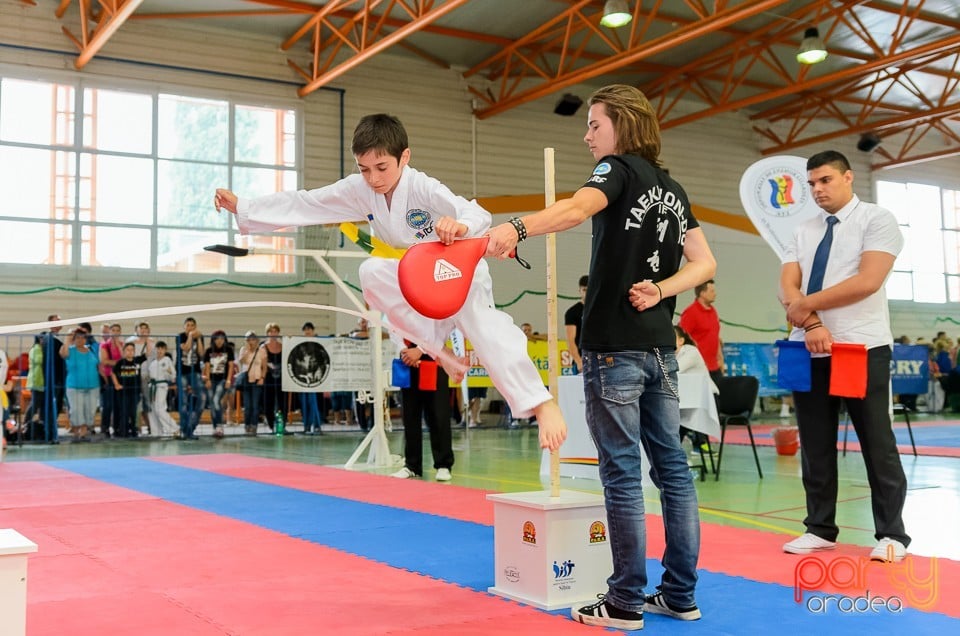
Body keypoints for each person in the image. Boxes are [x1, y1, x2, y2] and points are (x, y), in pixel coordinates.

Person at [486, 84, 714, 630]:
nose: (587, 136)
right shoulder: (673, 189)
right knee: (674, 473)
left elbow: (575, 208)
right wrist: (662, 292)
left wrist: (515, 227)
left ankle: (625, 602)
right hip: (661, 349)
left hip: (614, 348)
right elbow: (704, 264)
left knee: (622, 474)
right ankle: (679, 594)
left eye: (595, 124)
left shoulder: (617, 171)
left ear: (623, 126)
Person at [214, 113, 565, 452]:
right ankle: (438, 351)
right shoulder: (359, 190)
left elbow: (475, 213)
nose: (373, 178)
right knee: (370, 272)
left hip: (457, 271)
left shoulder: (423, 187)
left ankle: (539, 402)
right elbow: (307, 203)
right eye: (364, 169)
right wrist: (245, 207)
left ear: (404, 157)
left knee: (487, 329)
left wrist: (460, 226)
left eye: (382, 167)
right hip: (416, 277)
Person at [779, 149, 910, 563]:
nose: (817, 189)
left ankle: (891, 534)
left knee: (876, 439)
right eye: (812, 183)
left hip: (859, 345)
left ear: (848, 178)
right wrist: (811, 322)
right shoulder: (802, 229)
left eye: (825, 181)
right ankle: (819, 527)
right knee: (815, 441)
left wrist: (804, 306)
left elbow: (868, 280)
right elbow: (787, 283)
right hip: (806, 345)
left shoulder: (876, 219)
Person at [391, 341, 454, 481]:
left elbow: (438, 332)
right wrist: (405, 351)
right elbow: (393, 327)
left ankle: (443, 464)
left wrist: (419, 350)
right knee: (410, 414)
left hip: (433, 359)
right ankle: (412, 465)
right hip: (408, 360)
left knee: (438, 414)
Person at [679, 280, 723, 385]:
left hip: (714, 367)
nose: (715, 293)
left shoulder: (713, 311)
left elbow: (715, 337)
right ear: (702, 293)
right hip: (698, 368)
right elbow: (681, 338)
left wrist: (721, 359)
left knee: (719, 398)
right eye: (712, 291)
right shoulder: (691, 312)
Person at [59, 326, 100, 441]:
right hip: (74, 386)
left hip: (93, 385)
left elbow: (98, 364)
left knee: (90, 409)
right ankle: (78, 431)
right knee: (76, 409)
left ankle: (85, 430)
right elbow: (63, 354)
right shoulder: (70, 350)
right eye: (77, 337)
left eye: (83, 337)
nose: (80, 340)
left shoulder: (92, 350)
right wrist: (68, 338)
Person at [177, 317, 205, 440]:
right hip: (182, 372)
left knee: (202, 399)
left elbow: (201, 354)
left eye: (192, 325)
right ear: (184, 327)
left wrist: (198, 338)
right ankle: (183, 430)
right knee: (183, 402)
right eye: (188, 325)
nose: (190, 327)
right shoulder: (180, 336)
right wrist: (190, 337)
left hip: (196, 372)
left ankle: (191, 428)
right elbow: (186, 348)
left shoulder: (200, 337)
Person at [203, 330, 235, 437]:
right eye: (217, 338)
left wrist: (229, 380)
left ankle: (219, 425)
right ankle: (215, 427)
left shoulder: (228, 350)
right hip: (212, 379)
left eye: (222, 338)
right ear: (213, 339)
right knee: (212, 404)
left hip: (223, 379)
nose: (219, 341)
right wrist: (207, 380)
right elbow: (207, 366)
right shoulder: (208, 351)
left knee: (217, 400)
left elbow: (231, 366)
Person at [237, 330, 267, 436]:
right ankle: (247, 425)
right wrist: (248, 350)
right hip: (246, 380)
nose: (251, 341)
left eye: (253, 339)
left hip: (257, 379)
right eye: (248, 339)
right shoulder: (243, 350)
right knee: (247, 405)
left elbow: (264, 366)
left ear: (257, 340)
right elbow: (241, 361)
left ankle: (254, 426)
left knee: (255, 405)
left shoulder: (262, 350)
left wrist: (262, 377)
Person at [146, 342, 178, 437]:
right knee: (152, 410)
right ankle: (156, 433)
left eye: (162, 349)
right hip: (152, 387)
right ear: (155, 350)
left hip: (161, 386)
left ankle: (174, 428)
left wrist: (169, 373)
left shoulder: (167, 360)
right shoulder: (152, 362)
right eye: (158, 349)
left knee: (160, 409)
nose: (159, 351)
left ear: (165, 350)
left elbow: (173, 376)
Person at [261, 322, 288, 432]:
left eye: (275, 331)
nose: (273, 333)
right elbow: (262, 363)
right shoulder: (263, 347)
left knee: (282, 403)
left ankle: (282, 426)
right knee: (269, 402)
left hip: (282, 378)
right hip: (268, 377)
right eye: (271, 331)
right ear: (267, 333)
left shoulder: (283, 346)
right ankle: (271, 425)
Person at [299, 322, 324, 435]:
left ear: (313, 330)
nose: (307, 331)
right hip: (303, 377)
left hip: (315, 377)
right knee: (304, 402)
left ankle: (317, 424)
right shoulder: (300, 344)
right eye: (305, 330)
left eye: (309, 329)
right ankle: (306, 425)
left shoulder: (319, 342)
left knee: (313, 401)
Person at [113, 342, 142, 438]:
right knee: (124, 412)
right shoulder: (120, 363)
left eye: (132, 350)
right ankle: (123, 431)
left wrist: (147, 340)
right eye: (128, 350)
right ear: (124, 351)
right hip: (123, 392)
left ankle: (134, 430)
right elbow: (113, 373)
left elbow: (148, 353)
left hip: (135, 391)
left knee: (133, 412)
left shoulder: (137, 361)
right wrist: (117, 384)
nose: (130, 352)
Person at [564, 274, 588, 373]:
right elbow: (570, 340)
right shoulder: (572, 312)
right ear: (580, 291)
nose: (587, 293)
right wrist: (579, 361)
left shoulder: (600, 311)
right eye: (585, 290)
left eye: (590, 290)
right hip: (582, 361)